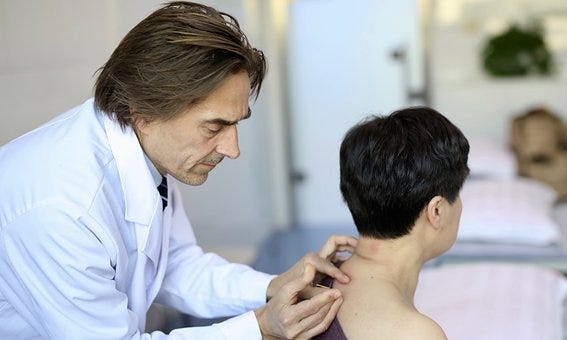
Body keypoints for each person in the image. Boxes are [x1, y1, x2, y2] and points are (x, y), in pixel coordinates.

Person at [0, 2, 356, 339]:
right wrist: (260, 328)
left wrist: (272, 285)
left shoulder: (145, 149)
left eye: (236, 125)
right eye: (214, 127)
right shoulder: (61, 208)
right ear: (145, 111)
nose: (232, 150)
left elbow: (174, 267)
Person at [313, 107, 470, 339]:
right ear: (436, 211)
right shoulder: (416, 334)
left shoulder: (317, 282)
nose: (461, 205)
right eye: (458, 194)